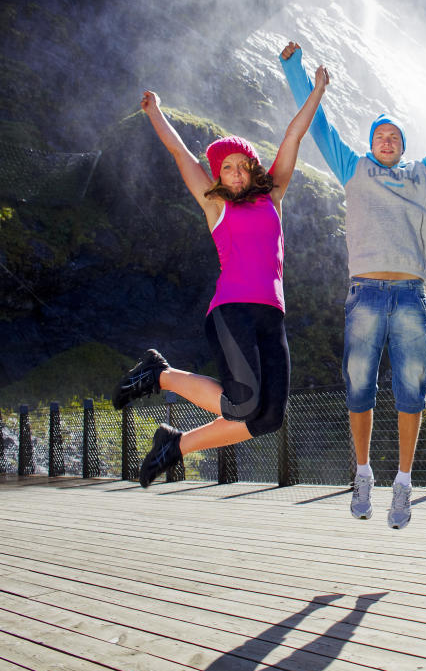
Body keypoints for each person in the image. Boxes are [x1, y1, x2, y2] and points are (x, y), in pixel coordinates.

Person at [281, 42, 426, 528]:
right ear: (370, 144)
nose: (386, 141)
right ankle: (363, 472)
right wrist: (294, 70)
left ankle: (403, 484)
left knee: (412, 389)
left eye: (393, 136)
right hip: (365, 293)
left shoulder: (425, 174)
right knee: (358, 385)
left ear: (402, 146)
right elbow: (317, 126)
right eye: (379, 135)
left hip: (409, 296)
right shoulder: (354, 169)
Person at [112, 43, 329, 488]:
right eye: (225, 168)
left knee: (267, 417)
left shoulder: (273, 198)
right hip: (232, 312)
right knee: (243, 405)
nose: (233, 173)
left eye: (241, 165)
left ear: (252, 168)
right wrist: (155, 112)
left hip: (272, 316)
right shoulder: (216, 208)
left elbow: (292, 138)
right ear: (218, 175)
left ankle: (174, 445)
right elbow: (182, 157)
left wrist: (317, 91)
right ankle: (161, 375)